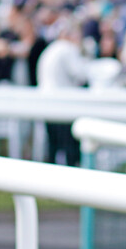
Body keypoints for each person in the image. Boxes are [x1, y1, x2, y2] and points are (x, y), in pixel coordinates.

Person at [37, 19, 91, 166]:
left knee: (53, 147)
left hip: (47, 105)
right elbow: (81, 74)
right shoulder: (67, 49)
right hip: (63, 106)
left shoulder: (49, 50)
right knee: (70, 149)